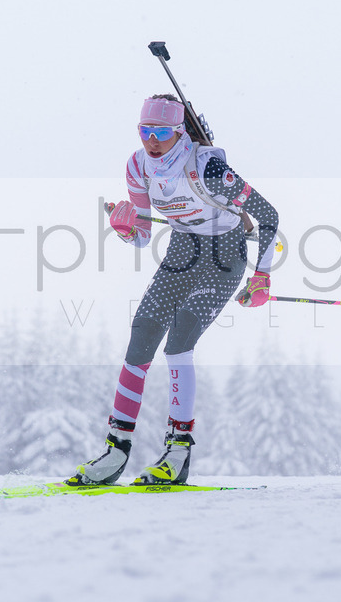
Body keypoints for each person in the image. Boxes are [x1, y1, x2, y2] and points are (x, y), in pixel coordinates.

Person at [68, 94, 279, 486]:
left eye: (161, 131)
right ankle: (115, 452)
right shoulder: (137, 166)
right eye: (144, 130)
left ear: (180, 130)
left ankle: (178, 452)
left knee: (180, 340)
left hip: (224, 257)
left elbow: (268, 216)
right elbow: (143, 237)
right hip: (182, 253)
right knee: (141, 336)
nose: (152, 139)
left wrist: (262, 276)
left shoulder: (208, 168)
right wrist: (126, 228)